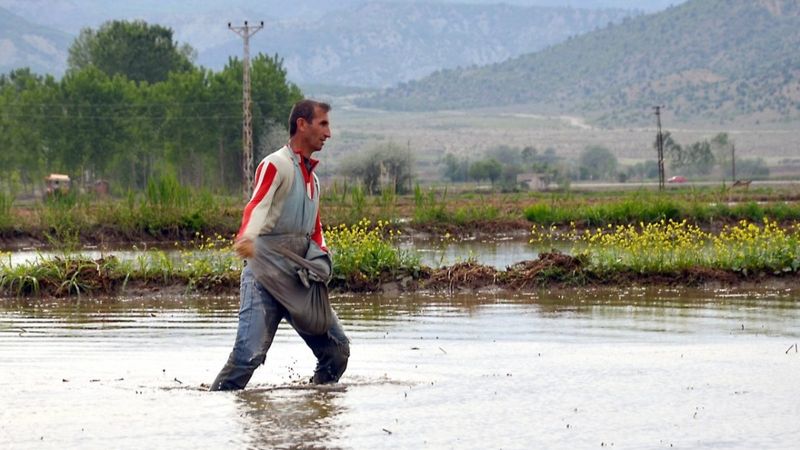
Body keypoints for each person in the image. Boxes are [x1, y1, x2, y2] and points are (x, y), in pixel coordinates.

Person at [210, 99, 349, 391]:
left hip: (298, 279)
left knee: (336, 351)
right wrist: (247, 237)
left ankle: (317, 398)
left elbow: (314, 230)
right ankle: (216, 402)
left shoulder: (315, 181)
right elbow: (257, 205)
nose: (329, 133)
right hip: (264, 276)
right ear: (302, 124)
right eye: (323, 124)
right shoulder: (275, 164)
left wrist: (321, 258)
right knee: (248, 356)